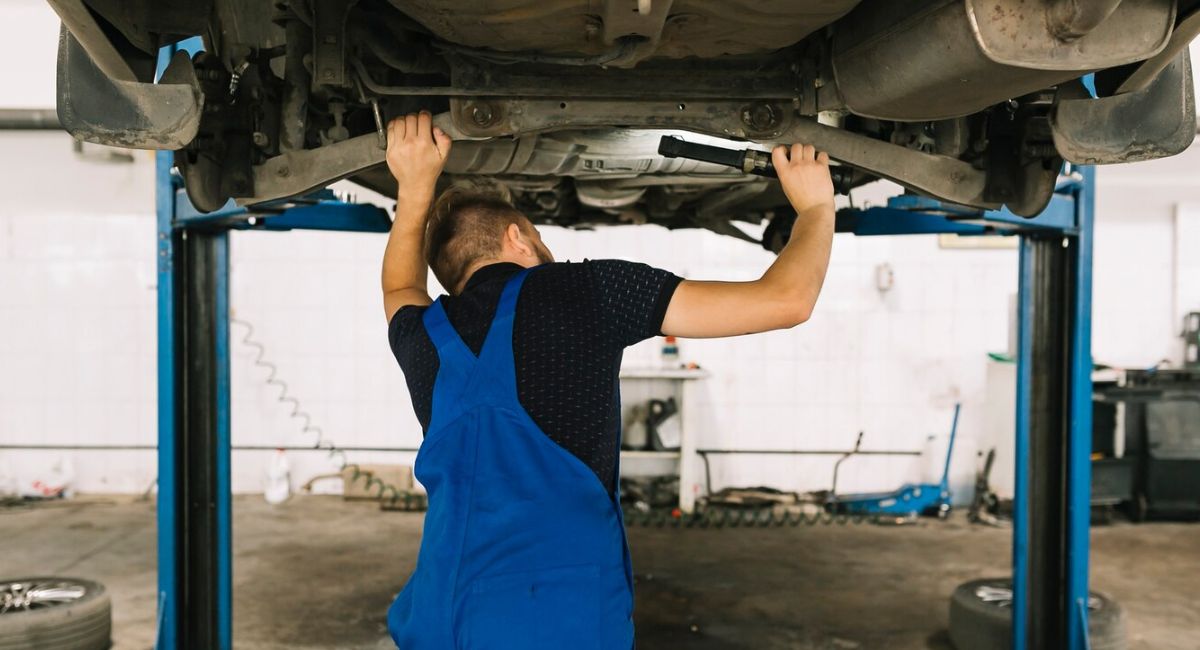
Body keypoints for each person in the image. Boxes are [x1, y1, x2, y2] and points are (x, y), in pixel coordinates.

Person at [381, 111, 835, 649]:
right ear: (517, 239)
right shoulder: (587, 289)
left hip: (438, 618)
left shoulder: (423, 336)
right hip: (554, 621)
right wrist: (815, 207)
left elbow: (399, 286)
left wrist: (414, 188)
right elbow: (786, 300)